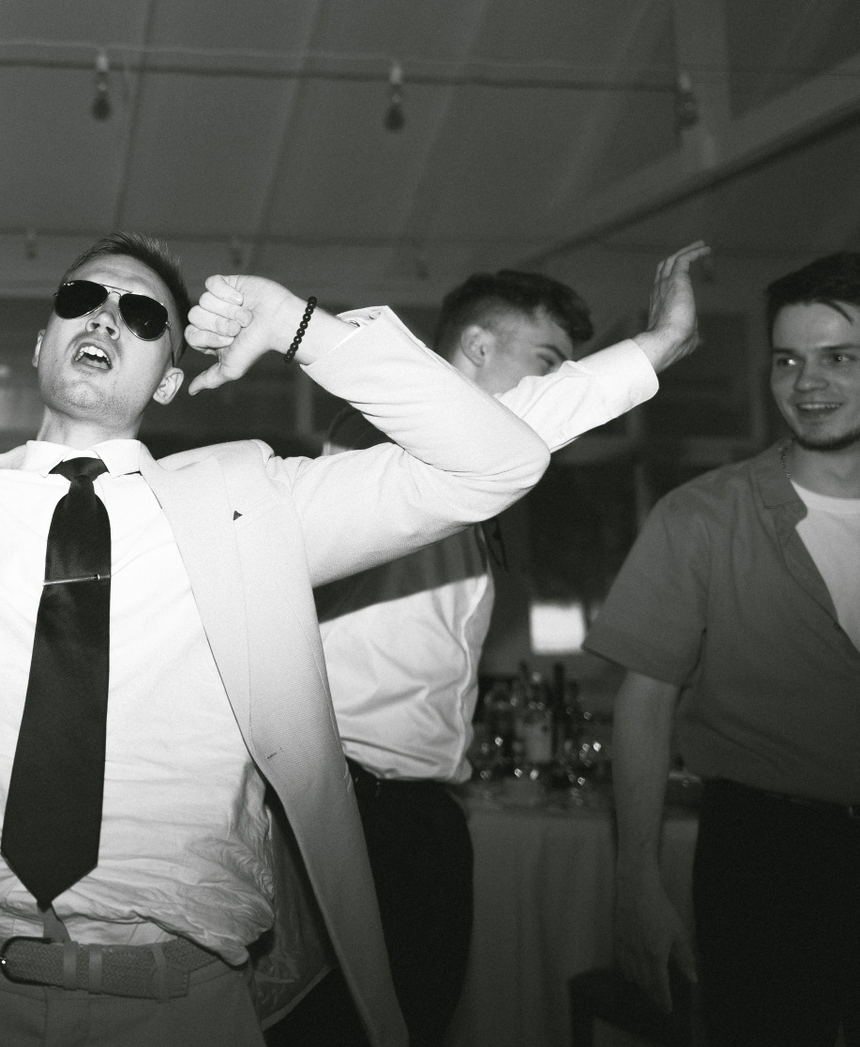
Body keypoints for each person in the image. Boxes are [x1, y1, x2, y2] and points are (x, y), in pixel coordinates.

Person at [0, 213, 553, 1047]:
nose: (105, 316)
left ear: (169, 378)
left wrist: (301, 327)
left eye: (142, 315)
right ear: (41, 342)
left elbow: (497, 462)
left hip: (178, 1007)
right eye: (81, 298)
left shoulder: (252, 507)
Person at [239, 248, 708, 1046]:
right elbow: (519, 426)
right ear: (479, 348)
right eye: (549, 361)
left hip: (421, 814)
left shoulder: (473, 488)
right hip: (339, 809)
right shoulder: (376, 435)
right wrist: (655, 346)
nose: (559, 382)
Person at [589, 251, 860, 1047]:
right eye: (788, 361)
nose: (808, 383)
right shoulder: (701, 516)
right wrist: (636, 884)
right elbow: (644, 705)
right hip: (762, 858)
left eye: (840, 358)